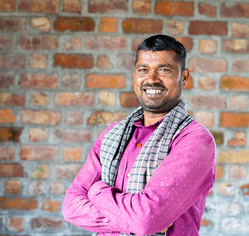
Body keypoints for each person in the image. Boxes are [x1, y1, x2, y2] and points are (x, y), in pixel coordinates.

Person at [62, 34, 216, 236]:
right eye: (143, 70)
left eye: (164, 70)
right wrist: (131, 220)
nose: (151, 79)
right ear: (135, 75)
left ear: (184, 77)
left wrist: (96, 191)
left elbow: (146, 219)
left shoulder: (194, 140)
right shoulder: (112, 135)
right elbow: (71, 206)